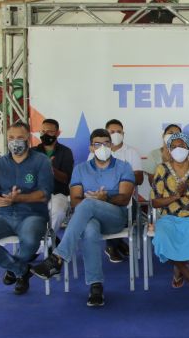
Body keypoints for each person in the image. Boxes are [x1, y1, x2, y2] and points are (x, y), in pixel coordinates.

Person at [32, 128, 135, 307]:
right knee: (89, 228)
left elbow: (125, 198)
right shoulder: (80, 169)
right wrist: (92, 201)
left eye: (106, 143)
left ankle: (58, 257)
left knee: (87, 204)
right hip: (88, 218)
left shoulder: (123, 166)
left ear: (111, 146)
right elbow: (74, 202)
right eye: (97, 144)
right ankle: (96, 286)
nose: (102, 147)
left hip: (115, 217)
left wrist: (106, 198)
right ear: (91, 148)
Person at [0, 121, 53, 295]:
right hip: (3, 215)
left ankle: (13, 270)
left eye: (19, 137)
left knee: (31, 241)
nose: (15, 141)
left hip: (32, 215)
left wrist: (19, 198)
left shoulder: (41, 161)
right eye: (11, 138)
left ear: (28, 139)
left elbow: (44, 194)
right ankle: (20, 270)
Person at [151, 132, 189, 288]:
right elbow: (155, 202)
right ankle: (187, 271)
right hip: (167, 218)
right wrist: (175, 197)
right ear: (169, 150)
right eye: (174, 146)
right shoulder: (161, 169)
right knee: (162, 238)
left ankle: (178, 271)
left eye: (181, 146)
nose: (178, 149)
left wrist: (187, 194)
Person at [92, 119, 143, 262]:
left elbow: (139, 179)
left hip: (124, 197)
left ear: (123, 134)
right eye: (112, 132)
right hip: (101, 196)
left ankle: (113, 245)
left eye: (119, 132)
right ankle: (115, 244)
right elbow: (91, 178)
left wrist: (118, 178)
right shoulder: (95, 153)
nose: (116, 134)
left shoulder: (131, 152)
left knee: (125, 208)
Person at [34, 118, 74, 234]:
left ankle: (45, 244)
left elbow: (66, 179)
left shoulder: (66, 152)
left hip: (58, 194)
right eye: (43, 131)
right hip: (36, 194)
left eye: (50, 132)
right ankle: (45, 241)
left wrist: (52, 169)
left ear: (58, 133)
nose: (45, 134)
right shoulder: (33, 152)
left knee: (59, 211)